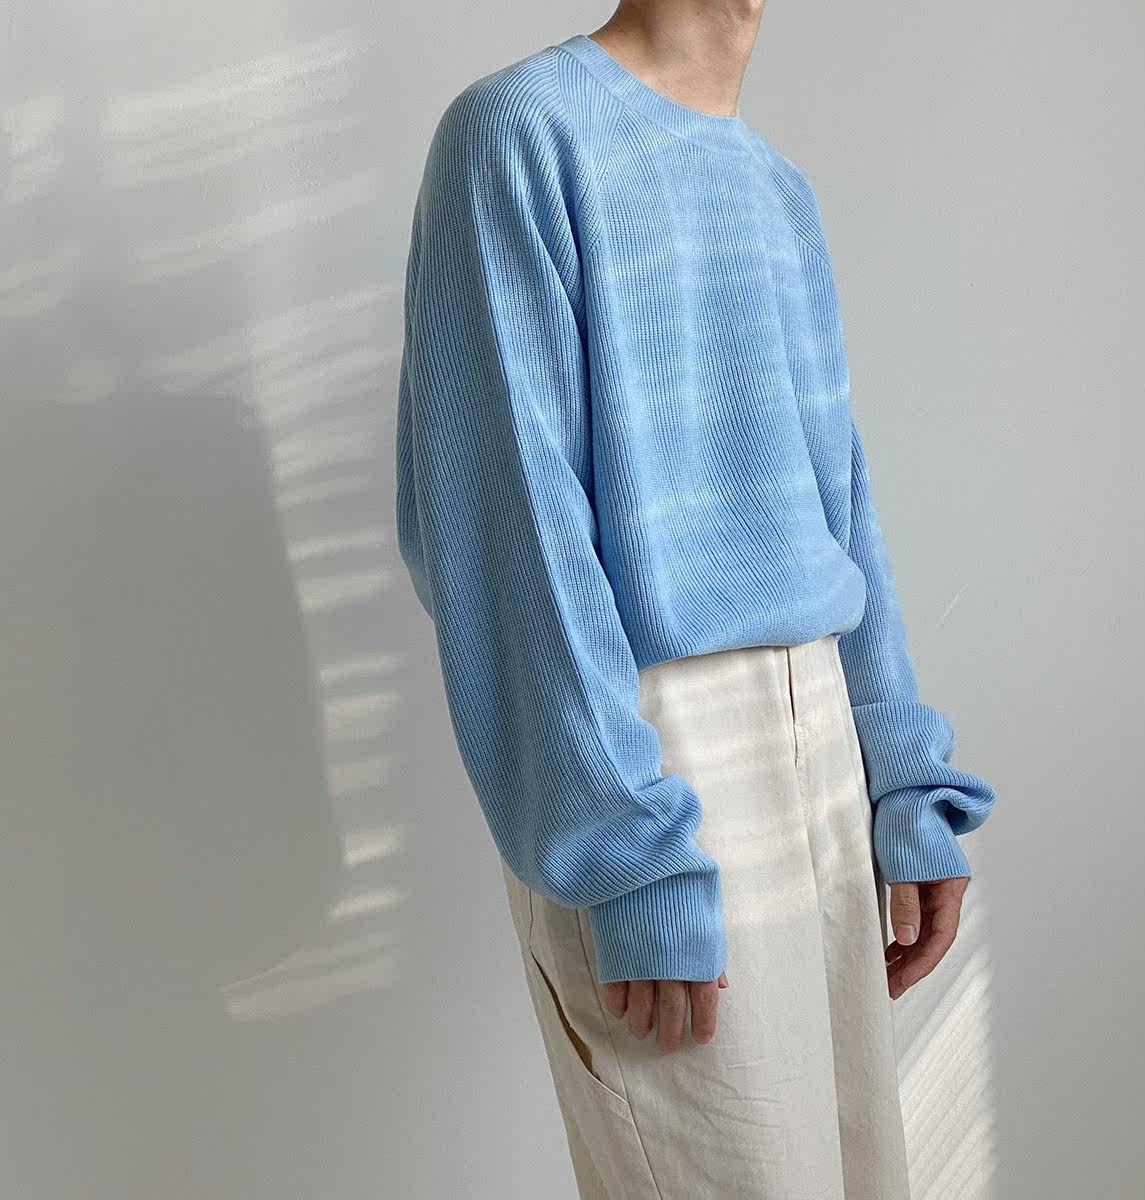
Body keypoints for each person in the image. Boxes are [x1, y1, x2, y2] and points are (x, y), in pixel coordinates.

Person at [394, 3, 997, 1195]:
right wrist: (631, 852)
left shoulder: (774, 187)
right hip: (652, 747)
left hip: (820, 736)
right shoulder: (519, 132)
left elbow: (838, 503)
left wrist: (900, 779)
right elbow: (504, 527)